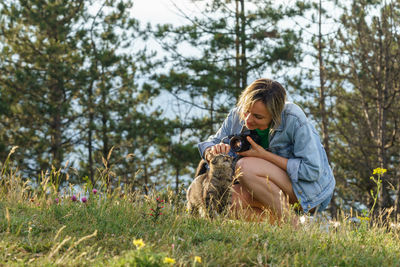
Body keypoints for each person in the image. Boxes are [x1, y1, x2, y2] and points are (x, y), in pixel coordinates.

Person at [197, 78, 335, 223]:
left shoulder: (294, 119)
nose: (248, 120)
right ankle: (292, 227)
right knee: (226, 202)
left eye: (258, 116)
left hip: (309, 191)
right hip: (264, 187)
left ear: (275, 116)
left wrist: (264, 156)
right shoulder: (237, 116)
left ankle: (293, 225)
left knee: (244, 167)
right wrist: (212, 151)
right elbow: (209, 142)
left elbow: (311, 170)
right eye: (246, 111)